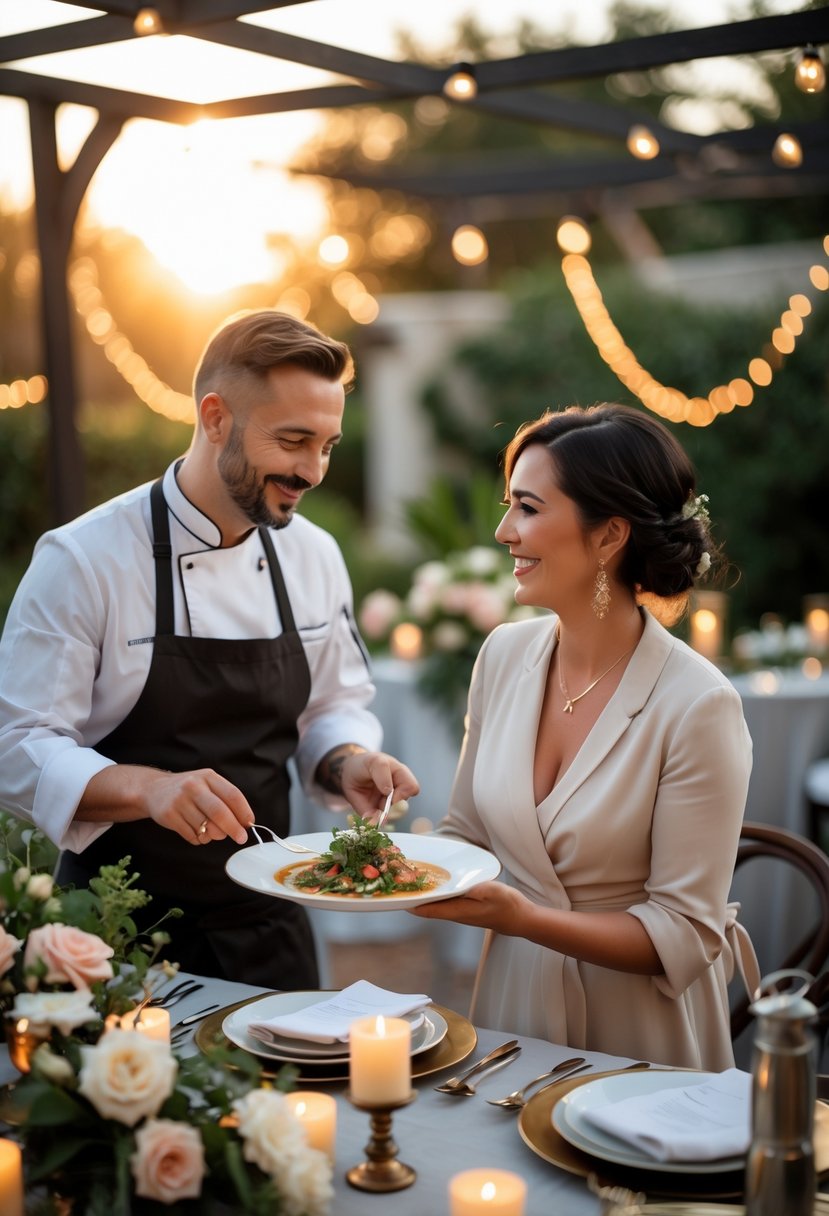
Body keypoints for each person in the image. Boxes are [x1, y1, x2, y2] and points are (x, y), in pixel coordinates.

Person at [0, 309, 418, 988]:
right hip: (113, 934)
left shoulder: (313, 555)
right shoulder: (84, 559)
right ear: (216, 417)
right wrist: (149, 789)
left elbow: (333, 705)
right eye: (292, 441)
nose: (312, 470)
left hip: (269, 925)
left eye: (328, 445)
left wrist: (349, 761)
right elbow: (17, 746)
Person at [414, 403, 755, 1070]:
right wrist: (389, 856)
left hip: (637, 1034)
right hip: (511, 1009)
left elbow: (682, 931)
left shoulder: (698, 705)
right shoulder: (502, 656)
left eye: (528, 509)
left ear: (608, 537)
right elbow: (464, 836)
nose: (503, 530)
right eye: (509, 505)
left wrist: (519, 919)